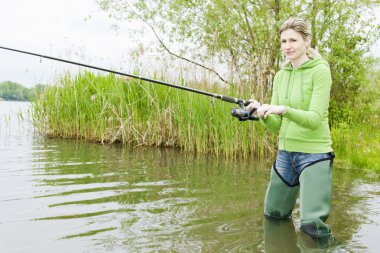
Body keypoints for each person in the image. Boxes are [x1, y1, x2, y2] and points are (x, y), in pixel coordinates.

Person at [247, 18, 335, 239]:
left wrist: (283, 109)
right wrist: (263, 113)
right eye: (284, 41)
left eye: (293, 40)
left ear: (307, 41)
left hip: (314, 155)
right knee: (273, 217)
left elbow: (315, 119)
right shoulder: (280, 76)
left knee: (312, 228)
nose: (288, 46)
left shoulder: (320, 71)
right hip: (286, 155)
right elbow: (276, 125)